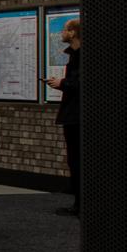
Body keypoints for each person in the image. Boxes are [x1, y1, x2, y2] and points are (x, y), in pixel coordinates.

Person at [45, 18, 81, 215]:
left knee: (76, 158)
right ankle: (77, 197)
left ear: (73, 33)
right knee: (73, 158)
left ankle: (79, 203)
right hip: (72, 113)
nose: (61, 33)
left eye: (65, 30)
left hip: (76, 115)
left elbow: (78, 82)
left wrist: (63, 83)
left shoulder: (79, 55)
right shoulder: (74, 54)